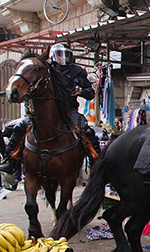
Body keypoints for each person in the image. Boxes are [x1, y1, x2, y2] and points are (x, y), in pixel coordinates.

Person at [1, 44, 100, 174]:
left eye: (65, 55)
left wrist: (81, 91)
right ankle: (10, 161)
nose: (62, 58)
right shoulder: (46, 71)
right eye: (59, 55)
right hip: (45, 111)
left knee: (85, 130)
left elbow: (90, 93)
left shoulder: (78, 72)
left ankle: (97, 163)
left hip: (69, 110)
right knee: (21, 126)